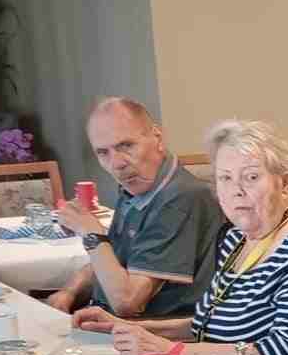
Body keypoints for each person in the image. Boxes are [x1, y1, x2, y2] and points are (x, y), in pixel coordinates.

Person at [73, 119, 288, 355]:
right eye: (225, 178)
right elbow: (206, 324)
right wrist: (127, 327)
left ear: (285, 183)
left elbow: (278, 354)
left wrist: (170, 351)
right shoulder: (236, 239)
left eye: (252, 177)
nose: (237, 191)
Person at [47, 98, 227, 320]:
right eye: (103, 152)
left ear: (157, 139)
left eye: (126, 146)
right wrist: (70, 291)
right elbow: (115, 261)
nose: (116, 164)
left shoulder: (178, 198)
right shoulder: (139, 187)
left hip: (155, 333)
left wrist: (92, 235)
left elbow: (127, 302)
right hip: (105, 316)